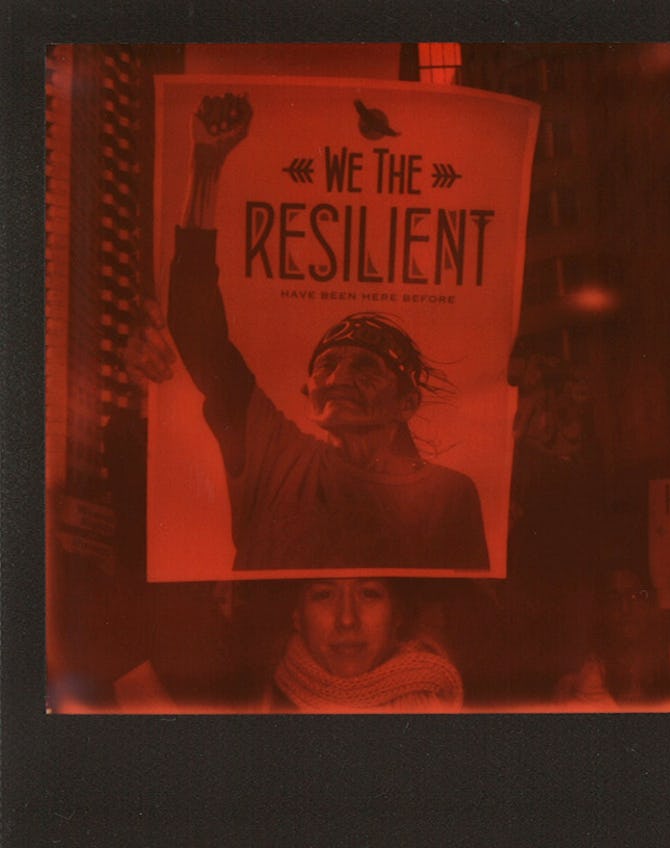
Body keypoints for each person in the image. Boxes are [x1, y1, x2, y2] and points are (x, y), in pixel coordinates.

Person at [136, 92, 489, 572]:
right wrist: (207, 166)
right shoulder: (277, 456)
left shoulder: (450, 495)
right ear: (308, 392)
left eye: (365, 365)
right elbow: (197, 331)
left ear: (407, 402)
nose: (339, 375)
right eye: (326, 365)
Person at [266, 578, 464, 712]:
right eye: (324, 594)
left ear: (397, 614)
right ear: (297, 616)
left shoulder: (435, 705)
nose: (347, 619)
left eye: (369, 593)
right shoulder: (260, 702)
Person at [554, 567, 670, 711]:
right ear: (603, 610)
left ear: (648, 604)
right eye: (614, 599)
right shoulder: (593, 672)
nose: (625, 608)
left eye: (635, 596)